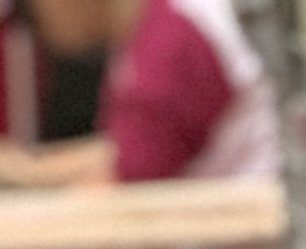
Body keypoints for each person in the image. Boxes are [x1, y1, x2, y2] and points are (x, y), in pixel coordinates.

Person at [0, 0, 269, 184]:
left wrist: (25, 176)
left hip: (245, 235)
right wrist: (27, 169)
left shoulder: (167, 46)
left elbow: (126, 182)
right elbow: (125, 149)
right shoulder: (160, 20)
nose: (38, 26)